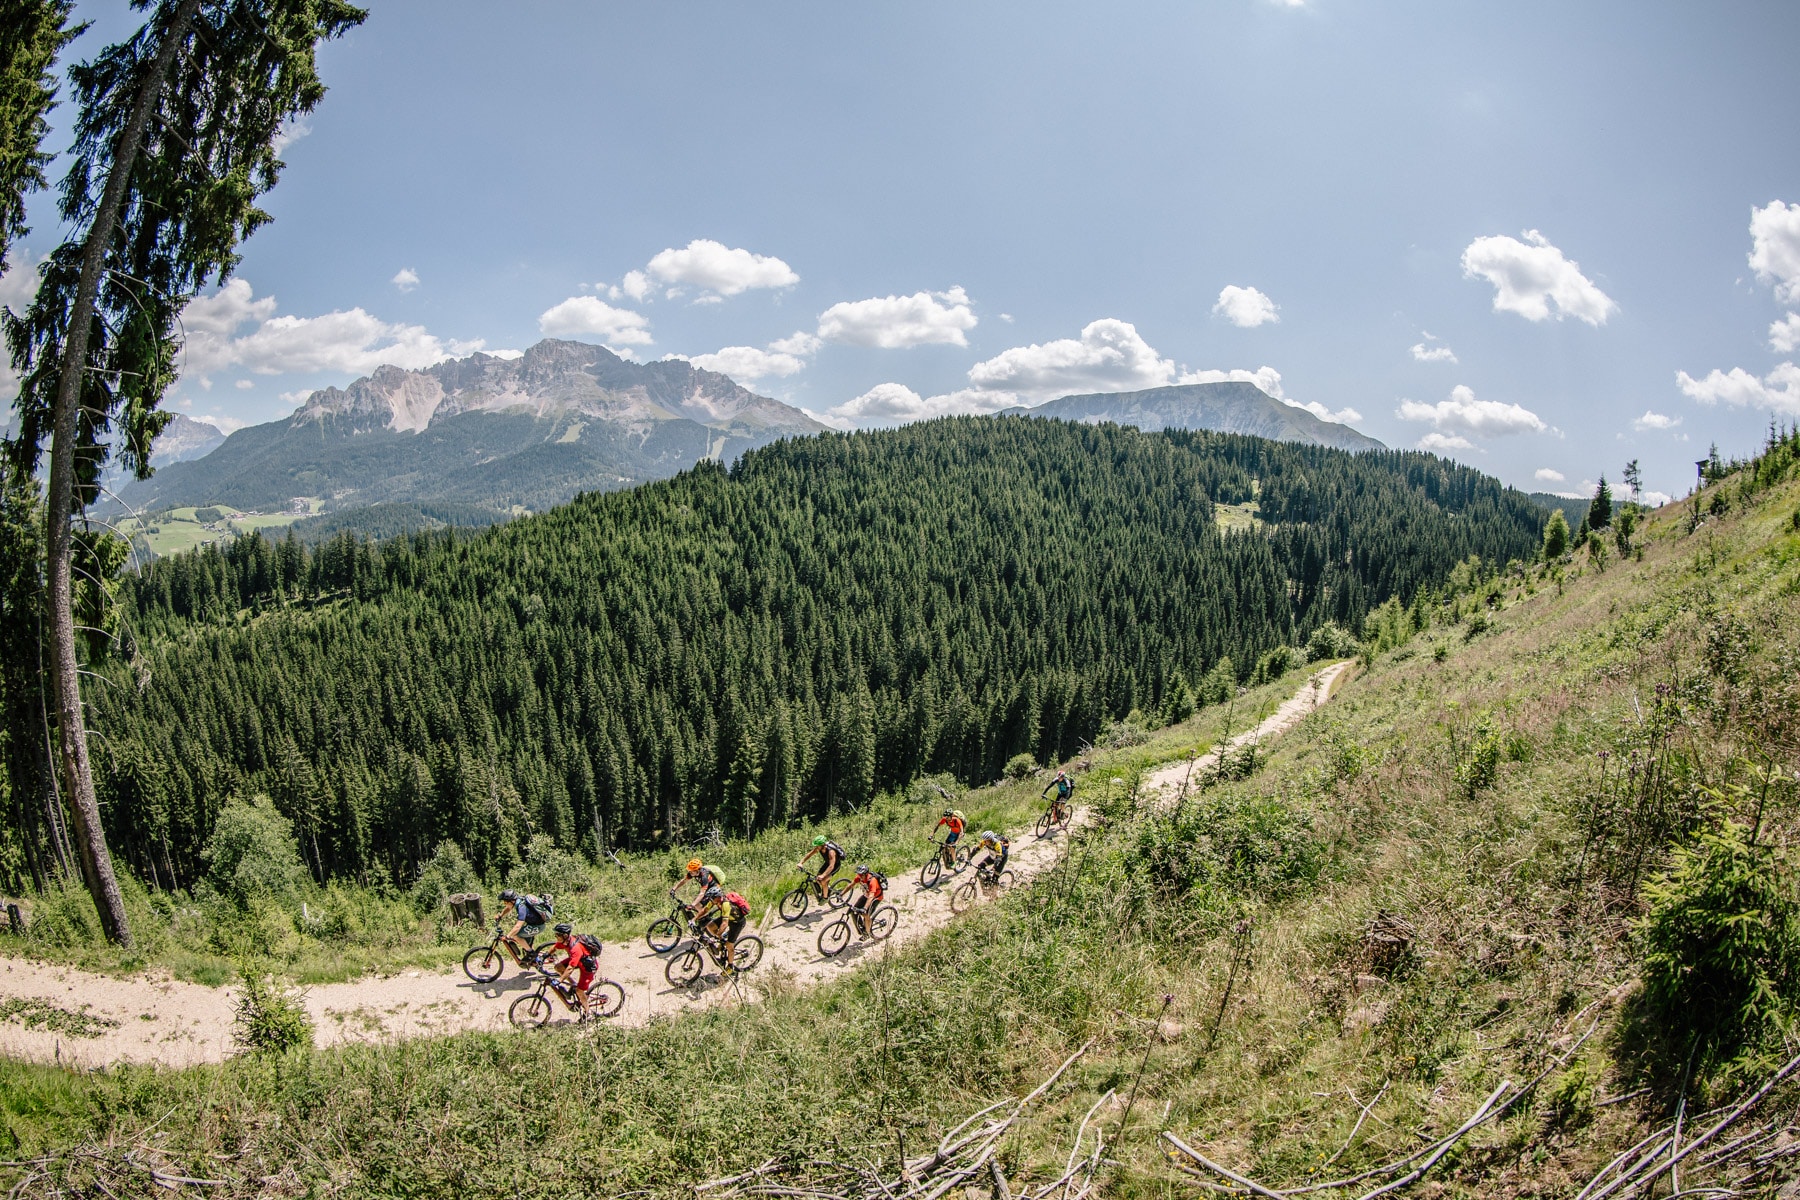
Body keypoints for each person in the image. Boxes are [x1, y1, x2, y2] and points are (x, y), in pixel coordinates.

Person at [547, 922, 596, 1015]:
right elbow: (554, 947)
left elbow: (570, 968)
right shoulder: (565, 941)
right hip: (579, 961)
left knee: (579, 991)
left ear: (565, 935)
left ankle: (588, 1013)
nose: (556, 936)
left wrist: (560, 980)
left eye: (557, 935)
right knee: (558, 967)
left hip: (587, 967)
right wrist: (545, 955)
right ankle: (573, 984)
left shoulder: (575, 948)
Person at [497, 888, 549, 958]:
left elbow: (518, 926)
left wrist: (508, 936)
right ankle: (532, 957)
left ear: (512, 901)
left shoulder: (522, 907)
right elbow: (508, 908)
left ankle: (531, 953)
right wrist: (500, 915)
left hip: (538, 926)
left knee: (516, 935)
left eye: (505, 902)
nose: (505, 904)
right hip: (532, 925)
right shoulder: (518, 900)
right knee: (525, 945)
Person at [847, 864, 884, 937]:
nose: (859, 876)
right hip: (866, 895)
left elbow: (871, 896)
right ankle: (862, 930)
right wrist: (840, 894)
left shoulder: (872, 881)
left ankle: (867, 933)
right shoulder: (860, 877)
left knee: (866, 915)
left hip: (875, 898)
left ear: (865, 874)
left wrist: (864, 908)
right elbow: (851, 885)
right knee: (853, 911)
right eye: (858, 874)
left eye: (861, 874)